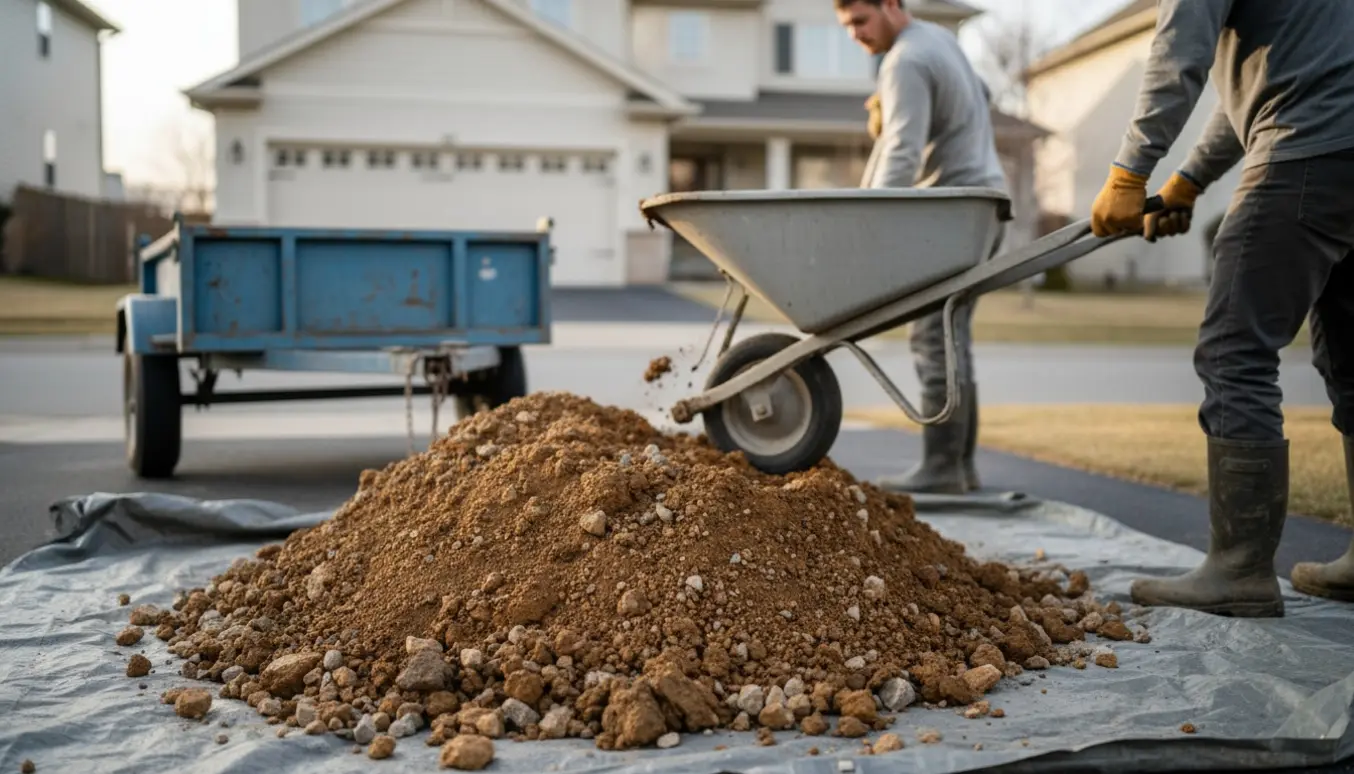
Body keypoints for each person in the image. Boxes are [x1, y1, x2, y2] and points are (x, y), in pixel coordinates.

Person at [1090, 0, 1354, 617]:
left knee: (1234, 349)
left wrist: (1131, 169)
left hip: (1306, 149)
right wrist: (1188, 180)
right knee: (1351, 358)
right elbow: (1262, 83)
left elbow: (1178, 53)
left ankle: (1239, 570)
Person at [837, 0, 1009, 495]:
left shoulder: (905, 60)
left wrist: (867, 224)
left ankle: (941, 467)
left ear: (891, 4)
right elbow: (981, 92)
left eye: (859, 21)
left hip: (950, 211)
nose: (855, 35)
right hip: (982, 204)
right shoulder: (940, 40)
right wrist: (896, 104)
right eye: (846, 26)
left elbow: (901, 151)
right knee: (952, 340)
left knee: (934, 337)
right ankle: (959, 467)